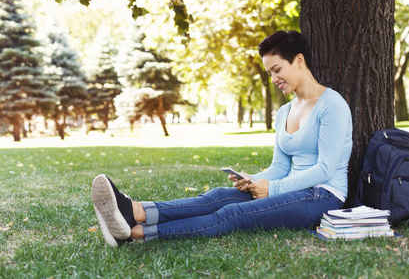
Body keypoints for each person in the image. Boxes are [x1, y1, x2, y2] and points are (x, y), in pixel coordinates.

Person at [91, 30, 353, 247]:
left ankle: (136, 233)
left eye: (277, 69)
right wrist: (254, 180)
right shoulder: (284, 111)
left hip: (322, 197)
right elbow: (281, 167)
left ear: (298, 60)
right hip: (289, 188)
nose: (273, 79)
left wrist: (272, 189)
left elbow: (325, 168)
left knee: (232, 214)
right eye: (269, 73)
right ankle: (136, 211)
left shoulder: (331, 105)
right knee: (217, 197)